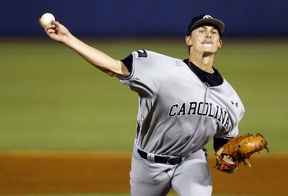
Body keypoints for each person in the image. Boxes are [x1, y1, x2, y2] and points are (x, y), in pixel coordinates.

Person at [40, 14, 245, 196]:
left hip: (191, 161)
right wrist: (68, 39)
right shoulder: (161, 69)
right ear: (188, 40)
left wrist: (229, 161)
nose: (208, 34)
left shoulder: (232, 100)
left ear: (219, 43)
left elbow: (223, 148)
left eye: (213, 32)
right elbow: (114, 67)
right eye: (201, 30)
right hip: (147, 164)